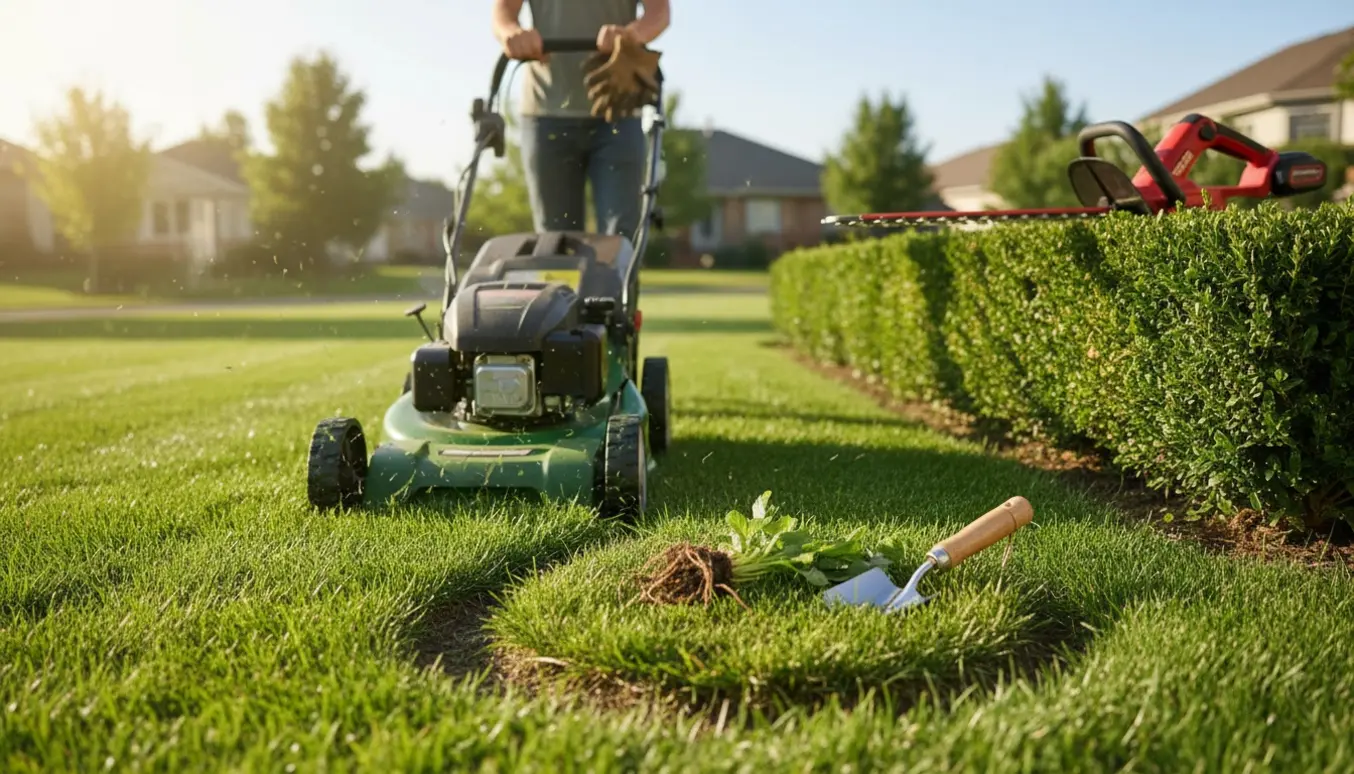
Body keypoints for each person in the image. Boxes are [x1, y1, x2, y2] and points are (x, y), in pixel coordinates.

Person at [491, 0, 670, 242]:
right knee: (555, 241)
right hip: (545, 112)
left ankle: (619, 280)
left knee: (621, 237)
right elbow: (504, 11)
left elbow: (659, 12)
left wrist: (630, 35)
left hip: (617, 111)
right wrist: (511, 33)